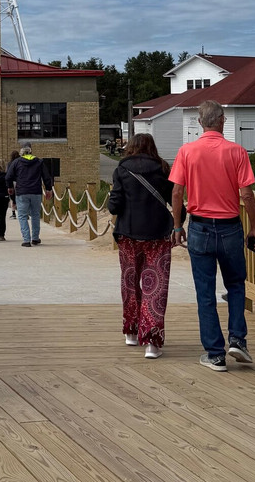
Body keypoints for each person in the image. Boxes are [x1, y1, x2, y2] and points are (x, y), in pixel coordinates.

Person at [170, 100, 255, 372]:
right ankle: (237, 340)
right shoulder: (237, 152)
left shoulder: (187, 151)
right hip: (231, 227)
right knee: (235, 284)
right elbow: (246, 194)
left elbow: (177, 193)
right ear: (222, 120)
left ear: (200, 123)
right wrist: (254, 228)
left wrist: (177, 226)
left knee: (205, 291)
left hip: (199, 227)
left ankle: (214, 354)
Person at [108, 134, 180, 359]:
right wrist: (178, 224)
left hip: (129, 235)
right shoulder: (163, 168)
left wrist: (114, 199)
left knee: (130, 283)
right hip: (158, 235)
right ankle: (152, 342)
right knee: (155, 287)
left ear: (131, 147)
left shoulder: (121, 169)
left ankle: (131, 331)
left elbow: (114, 206)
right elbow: (174, 198)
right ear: (152, 147)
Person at [5, 143, 53, 247]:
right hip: (36, 191)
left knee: (22, 216)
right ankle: (35, 238)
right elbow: (46, 176)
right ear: (31, 151)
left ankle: (26, 240)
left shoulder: (16, 162)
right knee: (35, 215)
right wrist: (49, 189)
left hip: (22, 192)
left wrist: (10, 187)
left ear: (21, 152)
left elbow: (8, 176)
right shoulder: (39, 162)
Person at [7, 149, 20, 218]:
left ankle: (13, 213)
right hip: (19, 181)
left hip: (12, 181)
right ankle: (24, 213)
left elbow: (8, 174)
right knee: (20, 197)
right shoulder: (20, 162)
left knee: (12, 197)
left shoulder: (10, 163)